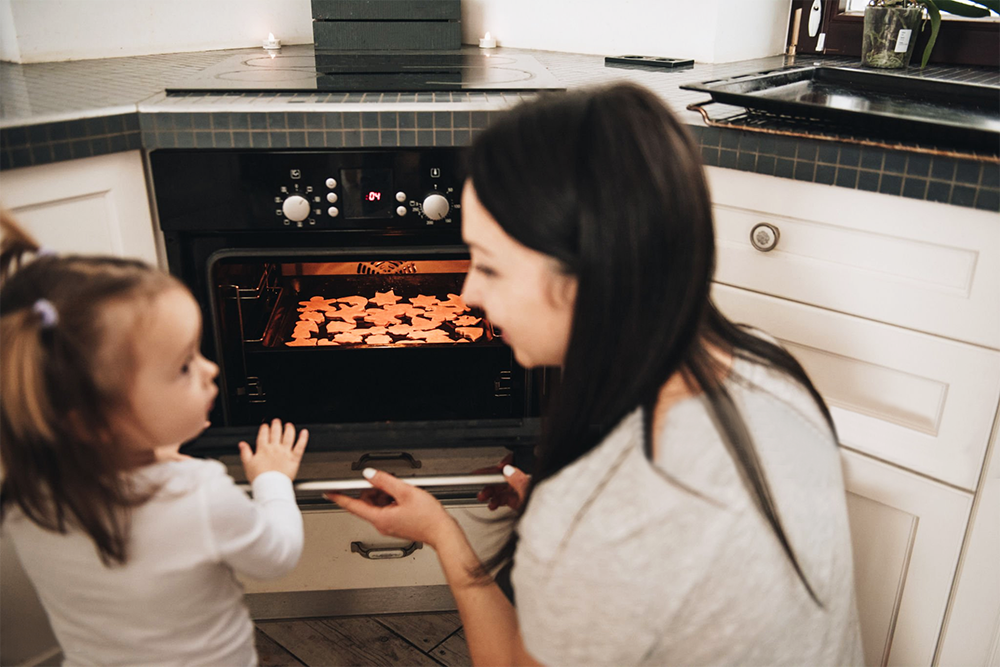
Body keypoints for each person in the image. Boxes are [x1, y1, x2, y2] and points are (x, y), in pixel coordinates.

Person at [329, 82, 864, 666]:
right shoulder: (770, 366)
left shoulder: (597, 513)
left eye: (489, 266)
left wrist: (445, 535)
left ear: (587, 276)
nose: (468, 294)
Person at [0, 208, 309, 666]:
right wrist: (272, 480)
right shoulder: (200, 494)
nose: (211, 368)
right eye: (184, 366)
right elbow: (277, 556)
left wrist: (148, 450)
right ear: (95, 421)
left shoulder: (26, 498)